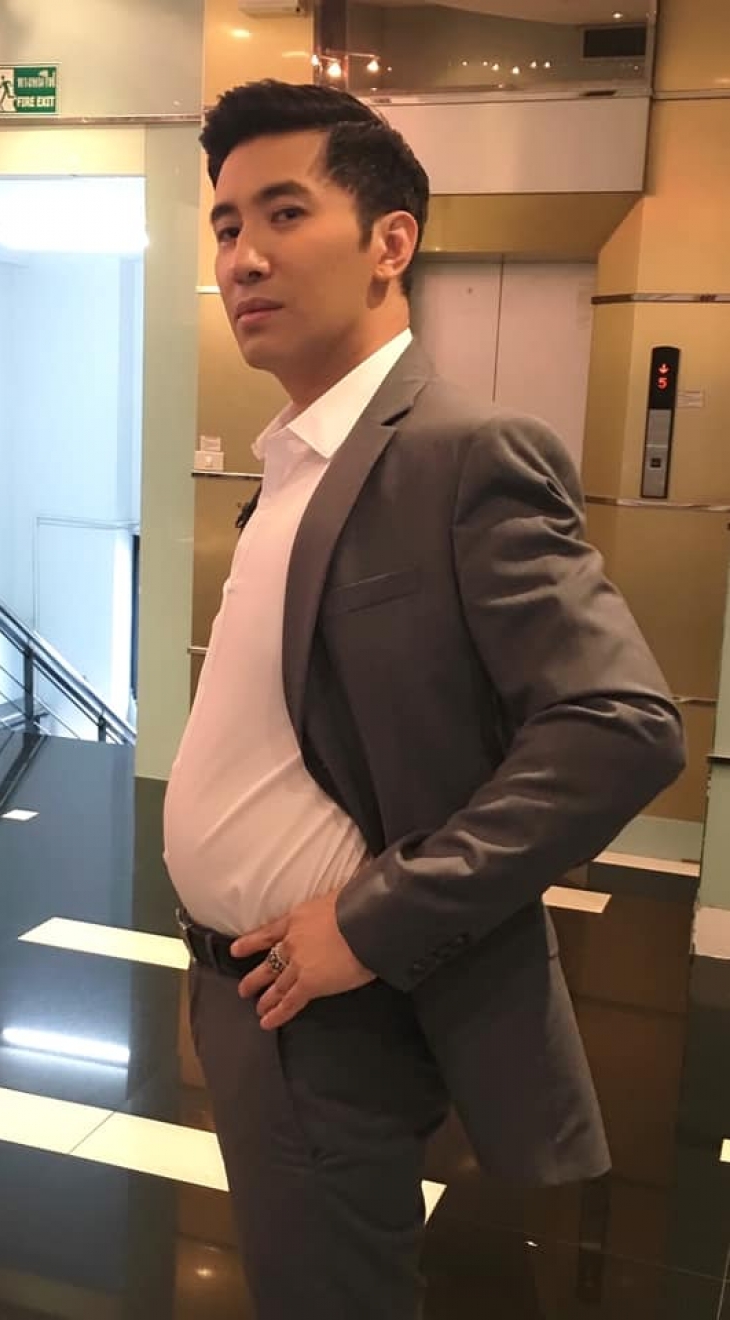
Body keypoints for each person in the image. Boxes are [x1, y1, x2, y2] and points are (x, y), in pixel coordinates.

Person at [163, 79, 685, 1320]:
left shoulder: (459, 451)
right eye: (226, 224)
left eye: (283, 213)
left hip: (329, 1011)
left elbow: (617, 727)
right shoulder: (295, 458)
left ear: (389, 241)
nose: (242, 256)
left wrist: (371, 918)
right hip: (240, 990)